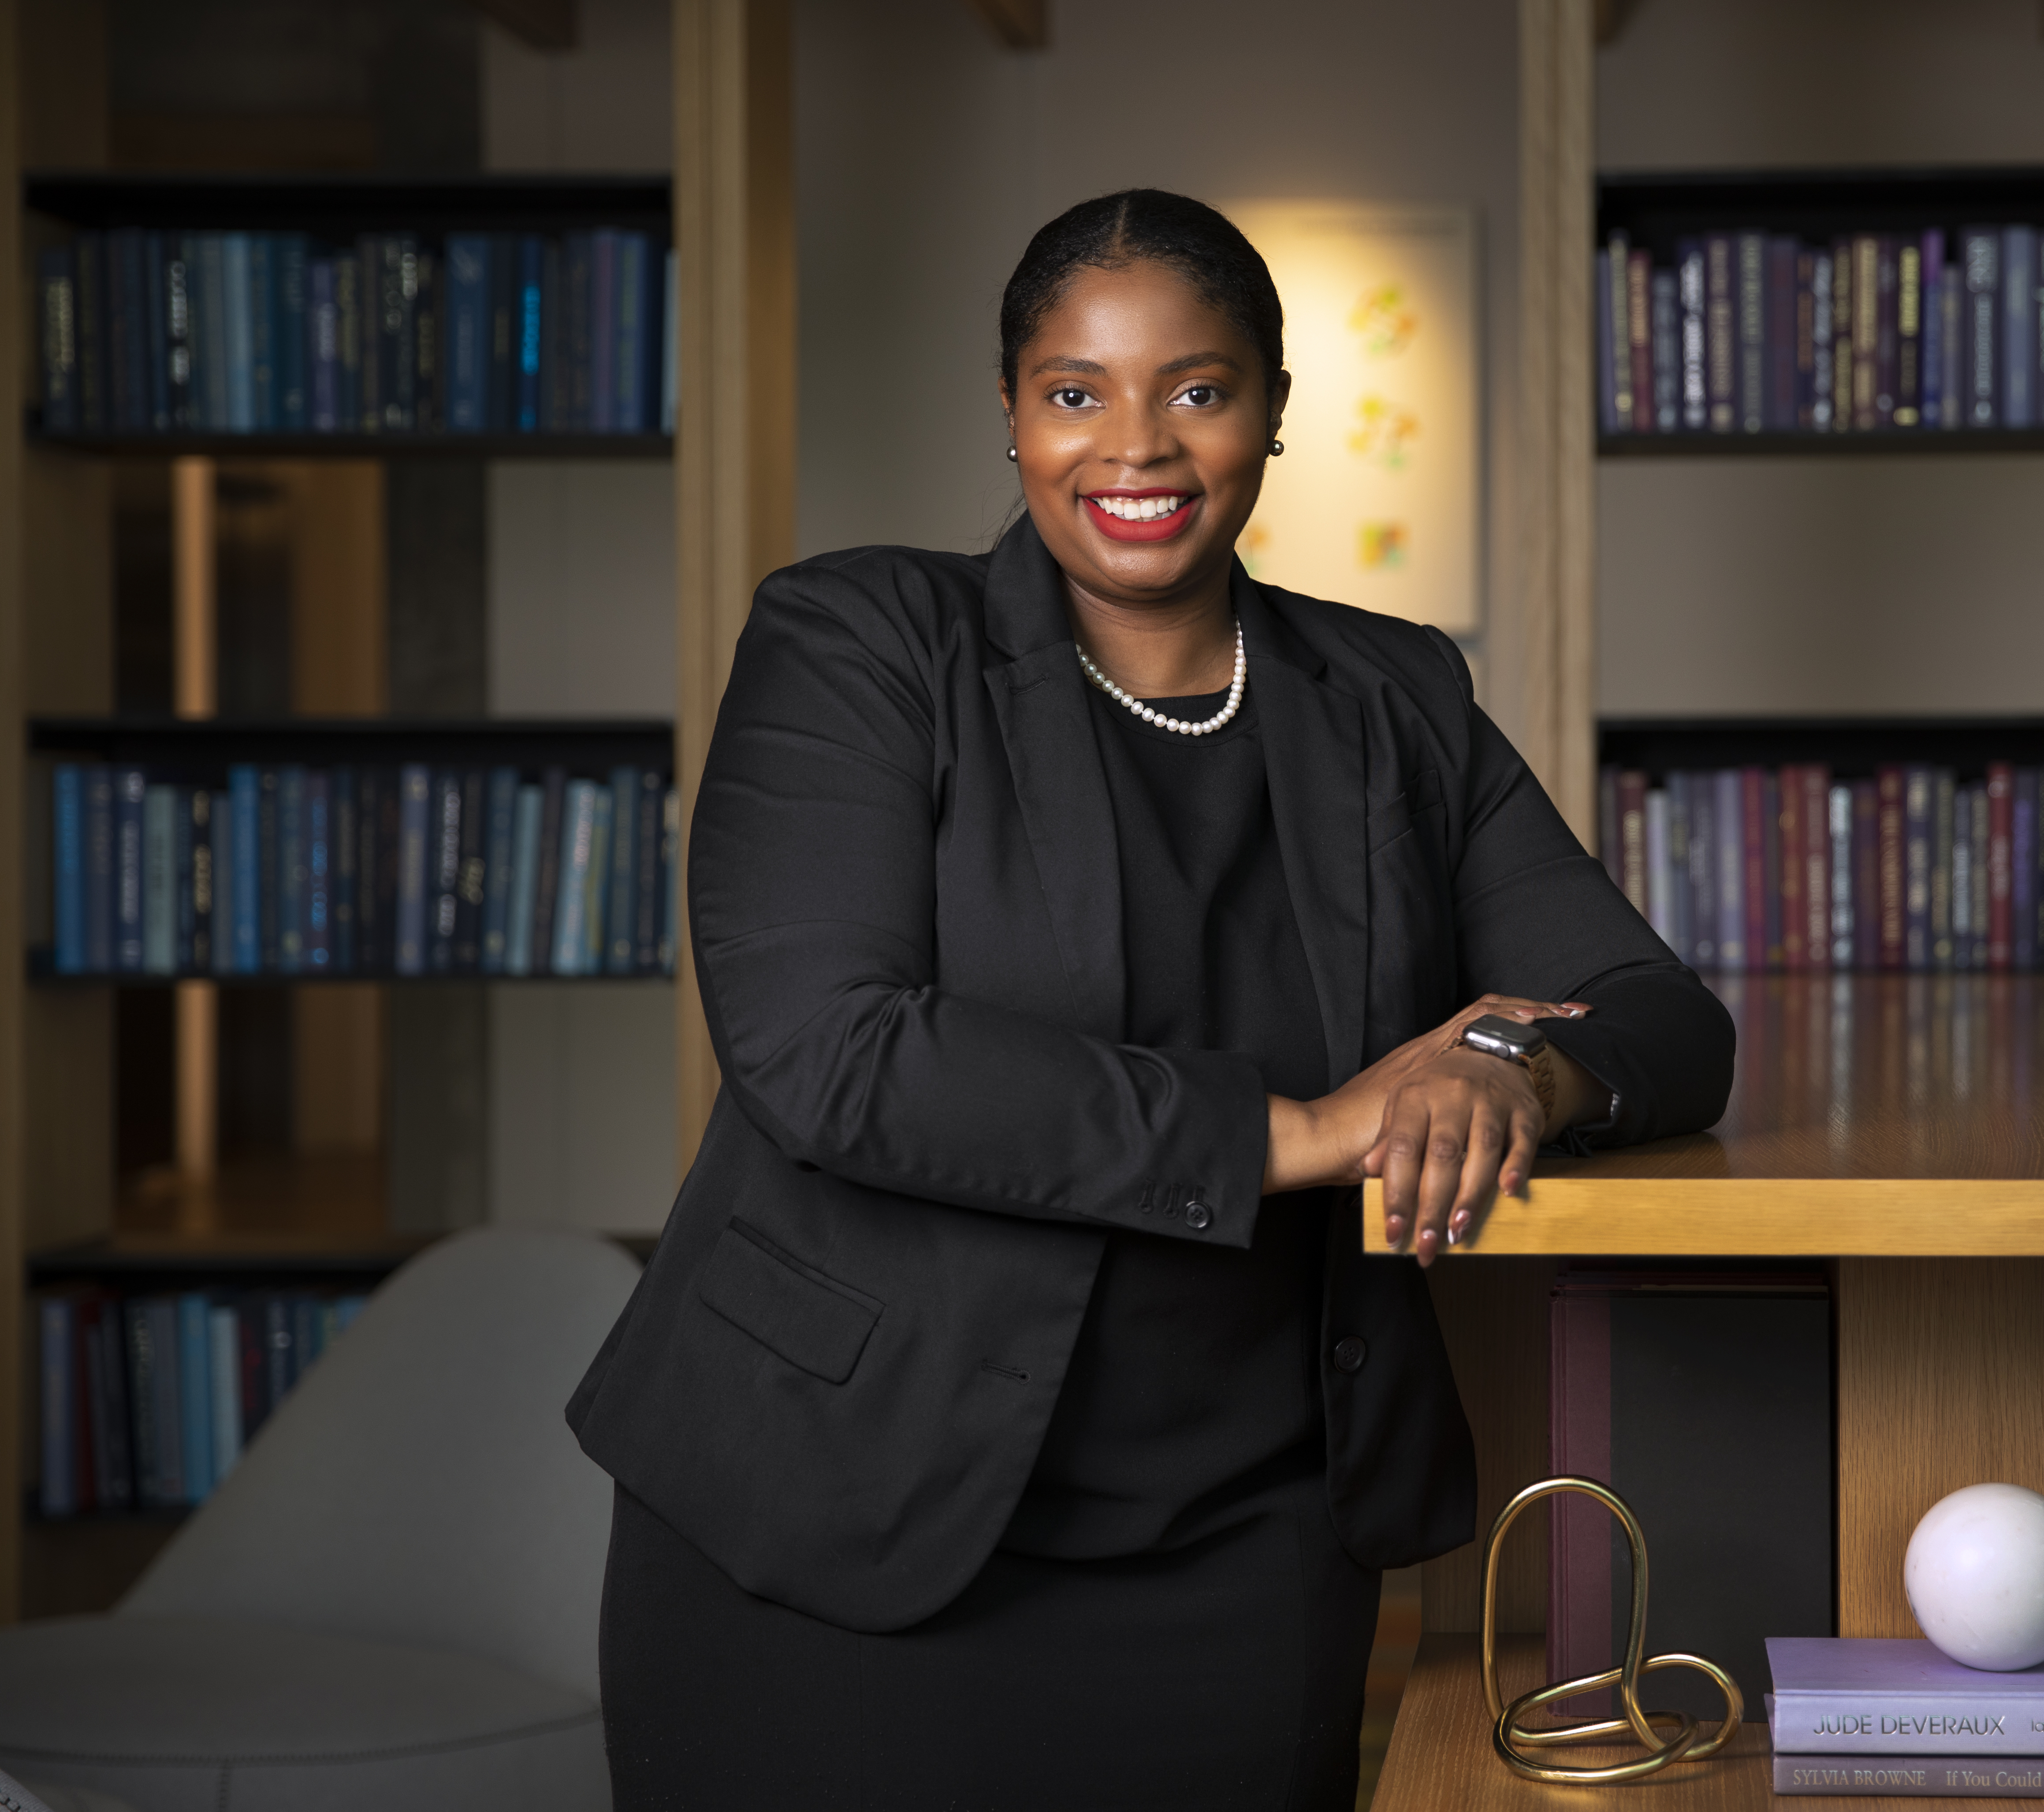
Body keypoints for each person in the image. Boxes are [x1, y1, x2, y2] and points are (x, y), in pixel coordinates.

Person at [568, 188, 1735, 1809]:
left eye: (1196, 390)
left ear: (1270, 411)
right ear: (1010, 414)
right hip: (837, 1528)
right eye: (1075, 392)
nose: (1137, 448)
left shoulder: (1393, 699)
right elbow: (829, 1055)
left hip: (1242, 1552)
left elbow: (1657, 1014)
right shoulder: (864, 642)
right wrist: (1319, 1129)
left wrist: (1500, 1068)